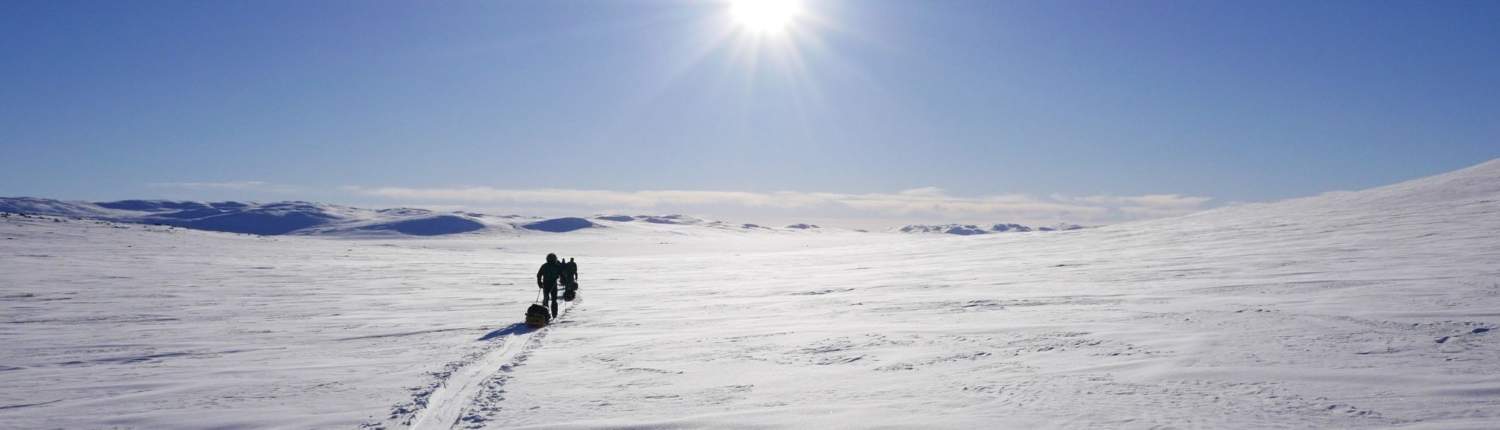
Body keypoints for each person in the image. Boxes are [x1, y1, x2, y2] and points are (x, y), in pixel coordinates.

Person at [536, 253, 564, 317]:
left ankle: (549, 314)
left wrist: (540, 283)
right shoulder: (555, 266)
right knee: (550, 299)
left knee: (547, 299)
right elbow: (539, 275)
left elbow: (539, 275)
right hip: (548, 284)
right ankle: (550, 314)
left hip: (549, 284)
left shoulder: (546, 266)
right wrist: (539, 283)